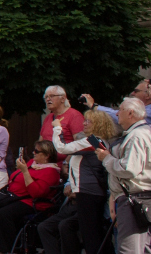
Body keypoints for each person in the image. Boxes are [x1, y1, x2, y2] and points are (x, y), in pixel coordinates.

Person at [43, 108, 116, 254]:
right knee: (91, 229)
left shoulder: (93, 141)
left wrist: (57, 127)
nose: (84, 123)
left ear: (98, 124)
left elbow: (62, 148)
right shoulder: (96, 141)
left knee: (90, 232)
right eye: (85, 120)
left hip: (88, 191)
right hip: (91, 191)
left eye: (89, 121)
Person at [96, 97, 151, 254]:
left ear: (130, 113)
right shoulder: (140, 133)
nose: (117, 113)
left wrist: (106, 158)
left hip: (134, 198)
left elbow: (129, 169)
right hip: (138, 197)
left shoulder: (137, 136)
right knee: (144, 247)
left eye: (120, 109)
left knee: (130, 248)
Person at [0, 140, 62, 254]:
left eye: (37, 151)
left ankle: (4, 250)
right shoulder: (32, 163)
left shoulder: (51, 171)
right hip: (16, 197)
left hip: (33, 202)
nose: (33, 153)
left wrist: (25, 171)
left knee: (4, 213)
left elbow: (37, 192)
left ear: (47, 155)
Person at [41, 86, 86, 162]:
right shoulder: (48, 117)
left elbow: (79, 144)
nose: (48, 99)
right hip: (45, 163)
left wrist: (66, 163)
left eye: (52, 96)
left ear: (63, 98)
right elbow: (41, 142)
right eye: (46, 97)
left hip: (64, 165)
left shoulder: (74, 116)